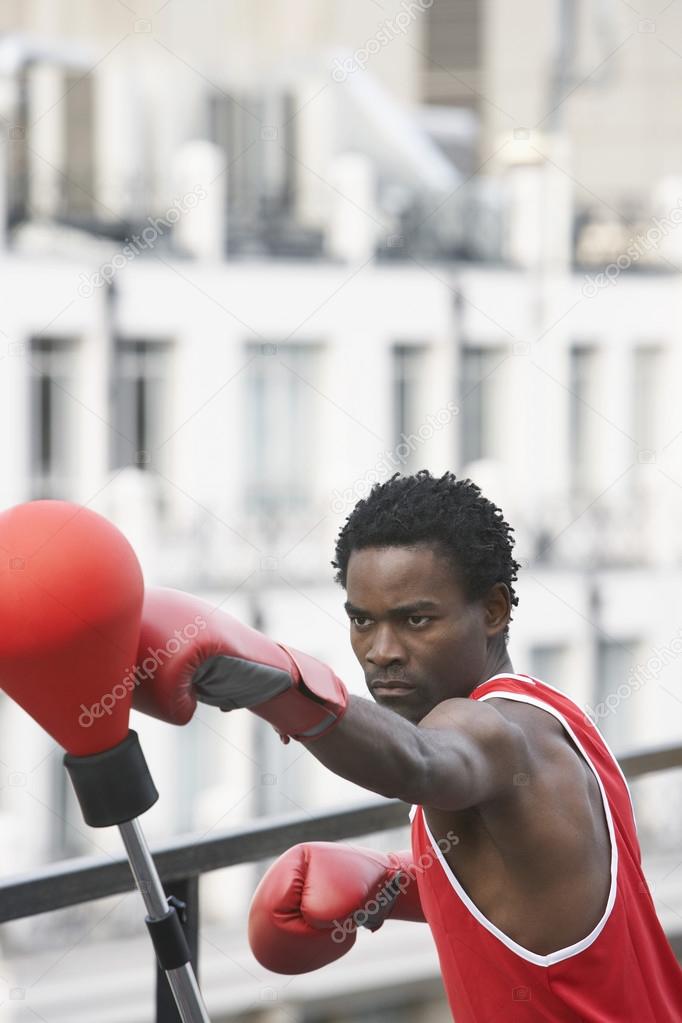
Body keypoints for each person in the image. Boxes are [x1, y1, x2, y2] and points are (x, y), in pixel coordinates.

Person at [132, 470, 682, 1021]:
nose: (381, 651)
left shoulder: (491, 733)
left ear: (494, 610)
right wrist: (395, 881)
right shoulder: (554, 717)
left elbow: (420, 762)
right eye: (362, 621)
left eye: (415, 619)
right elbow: (536, 887)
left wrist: (276, 682)